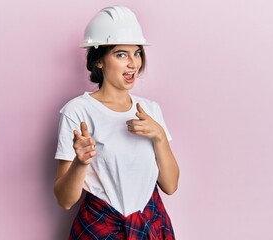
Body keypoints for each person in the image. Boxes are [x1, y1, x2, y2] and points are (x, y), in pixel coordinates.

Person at [53, 5, 179, 239]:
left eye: (137, 53)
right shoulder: (78, 111)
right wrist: (81, 163)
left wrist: (159, 136)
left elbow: (170, 186)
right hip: (101, 230)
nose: (133, 63)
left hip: (150, 226)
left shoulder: (150, 110)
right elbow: (64, 200)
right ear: (99, 60)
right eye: (121, 54)